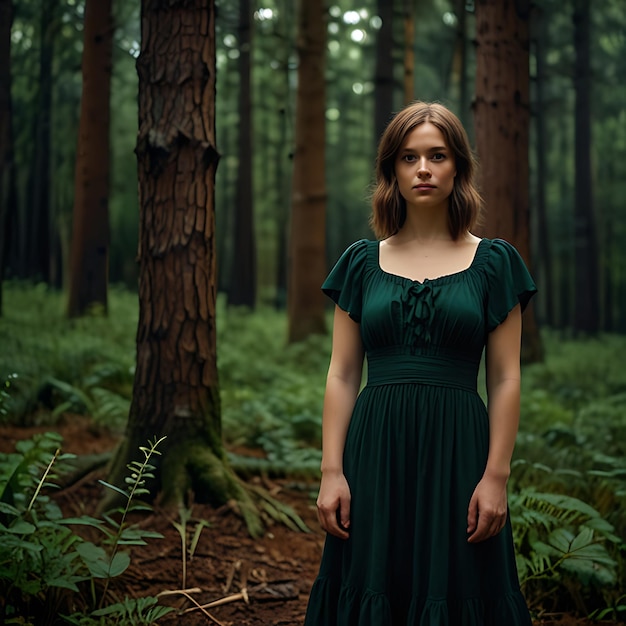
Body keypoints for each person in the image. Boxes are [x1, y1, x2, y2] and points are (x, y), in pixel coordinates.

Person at [303, 101, 536, 625]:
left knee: (457, 583)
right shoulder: (362, 262)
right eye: (409, 157)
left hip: (459, 450)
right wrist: (331, 470)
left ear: (458, 167)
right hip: (374, 450)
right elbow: (341, 373)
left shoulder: (495, 263)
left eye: (437, 155)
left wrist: (496, 475)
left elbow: (504, 377)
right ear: (392, 171)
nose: (424, 169)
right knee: (372, 579)